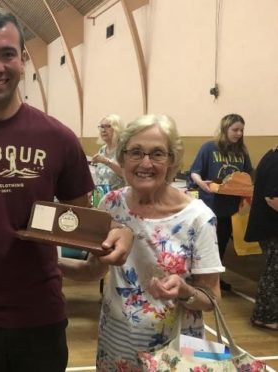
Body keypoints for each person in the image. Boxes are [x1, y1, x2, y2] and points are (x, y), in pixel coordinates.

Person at [0, 8, 134, 372]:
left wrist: (118, 232)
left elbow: (88, 224)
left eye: (7, 54)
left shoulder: (58, 138)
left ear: (23, 60)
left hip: (41, 315)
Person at [60, 114, 223, 371]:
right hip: (117, 340)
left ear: (171, 160)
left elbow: (211, 298)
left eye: (157, 153)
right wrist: (48, 263)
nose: (145, 163)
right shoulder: (111, 205)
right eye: (135, 152)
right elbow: (93, 270)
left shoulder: (198, 218)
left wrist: (183, 290)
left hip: (175, 349)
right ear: (122, 158)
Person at [189, 113, 253, 291]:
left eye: (241, 130)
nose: (239, 133)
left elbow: (248, 175)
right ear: (225, 129)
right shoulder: (209, 148)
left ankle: (215, 278)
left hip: (230, 208)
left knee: (222, 243)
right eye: (235, 129)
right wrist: (202, 183)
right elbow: (195, 172)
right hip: (210, 205)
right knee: (206, 243)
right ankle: (199, 277)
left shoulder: (242, 151)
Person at [245, 145, 278, 330]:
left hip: (268, 227)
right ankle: (264, 316)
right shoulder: (276, 161)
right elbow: (273, 199)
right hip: (271, 228)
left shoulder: (271, 155)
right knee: (273, 275)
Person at [91, 114, 125, 191]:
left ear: (117, 129)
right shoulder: (102, 149)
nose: (103, 130)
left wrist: (106, 161)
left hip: (118, 198)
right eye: (102, 127)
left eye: (107, 126)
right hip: (101, 197)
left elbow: (126, 174)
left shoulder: (124, 149)